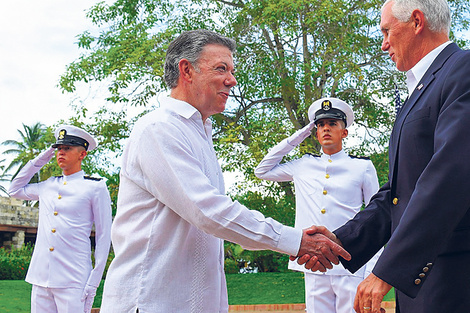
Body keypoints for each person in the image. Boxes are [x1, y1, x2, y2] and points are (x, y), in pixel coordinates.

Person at [99, 29, 350, 313]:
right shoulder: (159, 129)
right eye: (221, 69)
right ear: (186, 70)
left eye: (232, 70)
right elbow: (208, 211)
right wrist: (296, 241)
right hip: (152, 301)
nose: (232, 80)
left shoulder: (198, 132)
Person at [303, 0, 470, 312]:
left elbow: (451, 178)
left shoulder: (463, 70)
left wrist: (386, 271)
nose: (383, 45)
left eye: (386, 31)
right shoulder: (420, 92)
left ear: (417, 22)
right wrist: (341, 240)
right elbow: (399, 193)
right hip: (425, 282)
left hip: (453, 278)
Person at [255, 97, 381, 313]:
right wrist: (300, 135)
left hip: (350, 262)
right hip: (314, 262)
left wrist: (372, 267)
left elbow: (377, 218)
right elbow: (262, 170)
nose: (326, 129)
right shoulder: (303, 165)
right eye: (321, 125)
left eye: (332, 124)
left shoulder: (362, 167)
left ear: (344, 132)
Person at [8, 125, 112, 313]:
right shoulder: (48, 185)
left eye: (67, 148)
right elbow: (14, 189)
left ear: (82, 155)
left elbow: (104, 236)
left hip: (74, 279)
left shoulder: (95, 187)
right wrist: (44, 156)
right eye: (59, 149)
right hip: (41, 277)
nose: (60, 153)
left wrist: (93, 281)